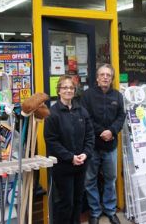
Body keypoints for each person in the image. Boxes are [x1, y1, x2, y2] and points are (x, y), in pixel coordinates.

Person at [44, 75, 94, 224]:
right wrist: (70, 157)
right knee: (66, 203)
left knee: (78, 200)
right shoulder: (52, 113)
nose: (68, 90)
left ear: (75, 90)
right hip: (63, 166)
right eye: (64, 87)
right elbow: (51, 141)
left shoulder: (81, 111)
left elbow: (90, 136)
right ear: (58, 91)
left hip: (81, 165)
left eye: (71, 88)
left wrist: (85, 154)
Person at [81, 64, 125, 224]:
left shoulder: (118, 96)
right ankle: (94, 212)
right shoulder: (87, 96)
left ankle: (110, 210)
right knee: (90, 180)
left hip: (111, 145)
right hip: (91, 146)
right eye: (102, 75)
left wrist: (111, 131)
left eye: (108, 75)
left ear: (112, 79)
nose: (105, 77)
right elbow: (86, 118)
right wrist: (102, 132)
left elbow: (121, 116)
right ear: (97, 78)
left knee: (110, 179)